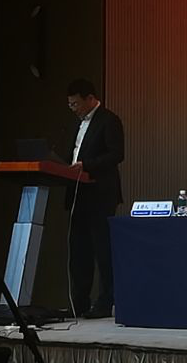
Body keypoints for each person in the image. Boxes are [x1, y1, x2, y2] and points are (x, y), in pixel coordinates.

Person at [65, 78, 124, 319]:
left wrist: (86, 165)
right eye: (70, 104)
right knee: (79, 250)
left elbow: (117, 154)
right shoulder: (77, 123)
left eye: (76, 104)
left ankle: (105, 301)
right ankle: (79, 302)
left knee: (102, 250)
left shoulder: (109, 120)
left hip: (100, 193)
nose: (73, 109)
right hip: (78, 193)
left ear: (90, 99)